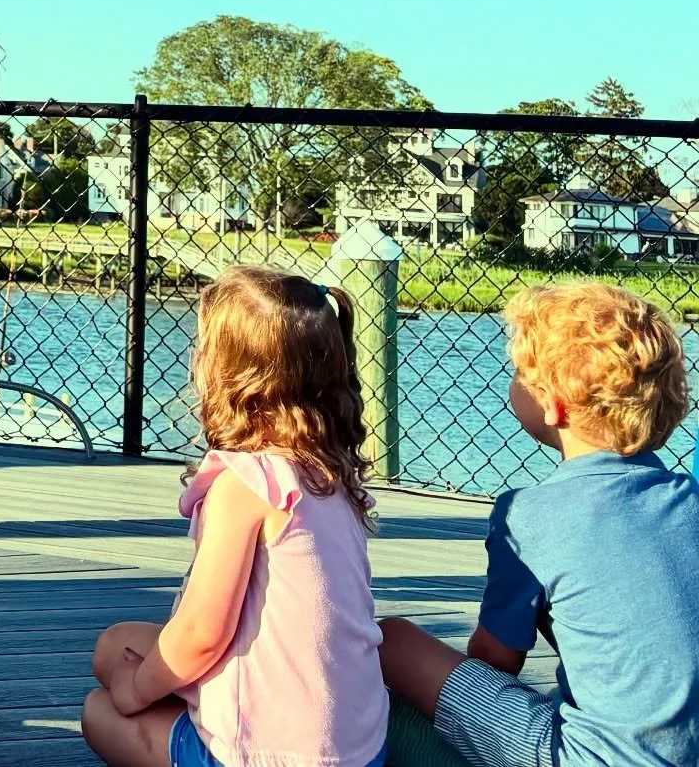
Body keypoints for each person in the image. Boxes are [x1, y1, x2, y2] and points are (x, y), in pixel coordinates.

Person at [379, 282, 699, 767]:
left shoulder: (530, 515)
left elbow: (496, 660)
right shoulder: (690, 500)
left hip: (588, 759)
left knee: (395, 641)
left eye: (519, 375)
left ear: (552, 404)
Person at [83, 266, 388, 767]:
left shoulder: (244, 486)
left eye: (201, 347)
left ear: (228, 376)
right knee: (113, 646)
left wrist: (136, 693)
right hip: (359, 749)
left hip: (265, 755)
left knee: (101, 711)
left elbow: (203, 633)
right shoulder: (328, 475)